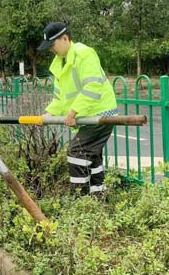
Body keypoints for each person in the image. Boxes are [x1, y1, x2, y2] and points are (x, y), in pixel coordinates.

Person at [38, 22, 118, 196]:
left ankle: (80, 198)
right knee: (92, 155)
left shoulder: (84, 54)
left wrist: (73, 112)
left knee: (77, 152)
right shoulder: (59, 62)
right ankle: (98, 194)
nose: (52, 50)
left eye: (53, 45)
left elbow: (92, 87)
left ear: (65, 38)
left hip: (101, 113)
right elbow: (60, 96)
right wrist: (50, 113)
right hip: (87, 115)